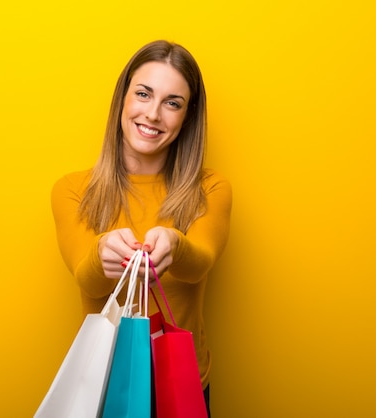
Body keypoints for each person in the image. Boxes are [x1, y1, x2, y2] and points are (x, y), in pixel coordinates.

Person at [50, 40, 232, 417]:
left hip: (182, 387)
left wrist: (175, 245)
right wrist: (103, 255)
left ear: (187, 117)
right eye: (143, 94)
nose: (153, 115)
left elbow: (201, 262)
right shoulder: (72, 190)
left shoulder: (211, 189)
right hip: (104, 388)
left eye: (172, 103)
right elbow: (87, 279)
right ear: (123, 98)